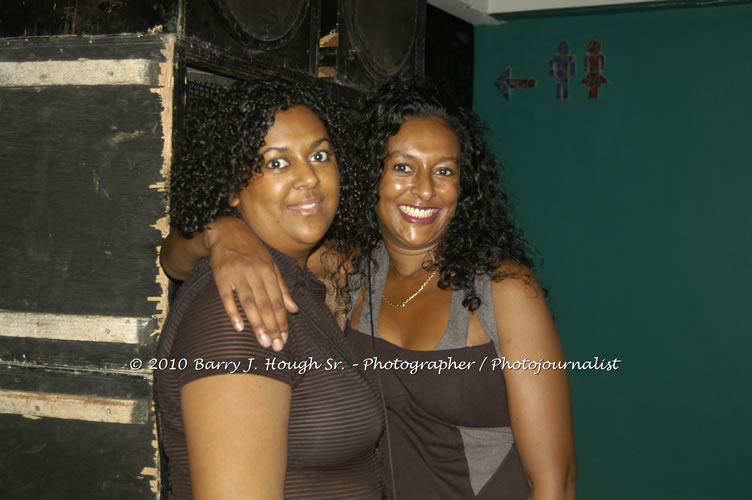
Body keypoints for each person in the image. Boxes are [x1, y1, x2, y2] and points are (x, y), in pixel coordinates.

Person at [161, 79, 577, 499]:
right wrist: (222, 232)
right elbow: (174, 260)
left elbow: (555, 482)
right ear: (369, 174)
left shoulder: (504, 289)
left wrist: (224, 233)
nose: (425, 189)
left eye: (444, 171)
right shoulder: (350, 272)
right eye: (402, 167)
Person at [155, 80, 385, 500]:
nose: (308, 177)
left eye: (319, 156)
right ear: (231, 187)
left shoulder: (299, 281)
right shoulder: (241, 309)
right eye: (277, 163)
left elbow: (173, 257)